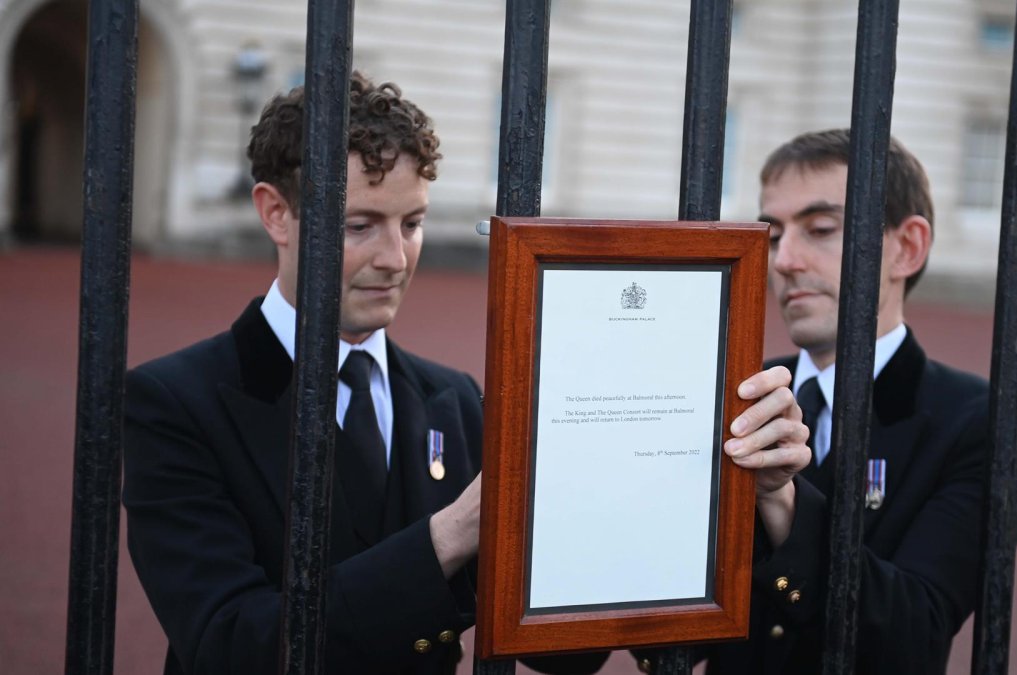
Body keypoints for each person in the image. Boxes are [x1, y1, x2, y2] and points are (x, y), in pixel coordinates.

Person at [122, 72, 810, 675]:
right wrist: (456, 530)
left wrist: (665, 489)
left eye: (413, 222)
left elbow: (560, 650)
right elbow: (229, 646)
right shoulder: (175, 401)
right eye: (361, 223)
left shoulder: (451, 396)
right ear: (276, 211)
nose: (395, 256)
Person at [709, 130, 1017, 674]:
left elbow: (915, 634)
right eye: (773, 235)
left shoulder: (979, 422)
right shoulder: (732, 391)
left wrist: (784, 504)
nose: (783, 260)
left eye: (819, 229)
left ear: (907, 247)